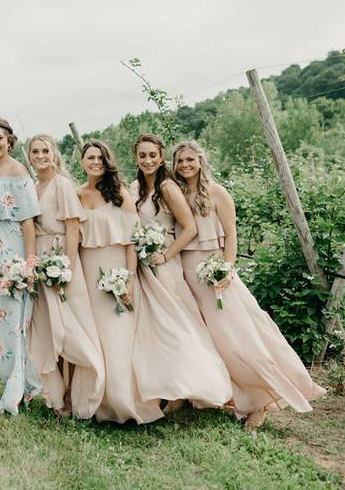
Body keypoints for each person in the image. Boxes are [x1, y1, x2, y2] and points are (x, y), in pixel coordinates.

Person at [173, 140, 326, 431]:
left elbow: (231, 235)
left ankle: (262, 401)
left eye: (190, 160)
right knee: (206, 339)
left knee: (236, 337)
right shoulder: (176, 193)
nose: (185, 166)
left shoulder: (217, 193)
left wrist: (227, 269)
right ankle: (218, 394)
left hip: (213, 271)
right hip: (185, 273)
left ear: (201, 161)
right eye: (180, 161)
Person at [129, 133, 232, 412]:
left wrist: (165, 255)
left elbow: (190, 229)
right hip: (143, 266)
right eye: (142, 155)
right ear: (136, 158)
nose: (148, 160)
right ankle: (164, 386)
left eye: (153, 155)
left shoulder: (168, 187)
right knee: (152, 328)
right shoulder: (136, 186)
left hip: (165, 265)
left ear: (161, 157)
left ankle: (185, 390)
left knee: (175, 326)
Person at [76, 140, 162, 424]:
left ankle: (124, 401)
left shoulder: (119, 193)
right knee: (95, 336)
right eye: (90, 158)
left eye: (100, 158)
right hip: (88, 271)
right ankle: (98, 402)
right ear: (82, 161)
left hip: (116, 270)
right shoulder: (76, 195)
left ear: (107, 161)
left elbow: (131, 240)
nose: (95, 162)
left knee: (118, 336)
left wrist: (129, 280)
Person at [26, 134, 104, 419]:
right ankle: (57, 395)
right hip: (41, 258)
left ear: (53, 152)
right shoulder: (35, 186)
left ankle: (74, 395)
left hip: (60, 257)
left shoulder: (61, 184)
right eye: (35, 151)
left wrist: (67, 268)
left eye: (45, 150)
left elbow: (73, 228)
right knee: (50, 329)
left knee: (67, 328)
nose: (40, 156)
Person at [0, 117, 42, 415]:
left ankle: (17, 388)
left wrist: (28, 263)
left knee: (15, 322)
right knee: (2, 321)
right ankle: (18, 382)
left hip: (12, 251)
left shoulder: (19, 172)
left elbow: (28, 221)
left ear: (9, 140)